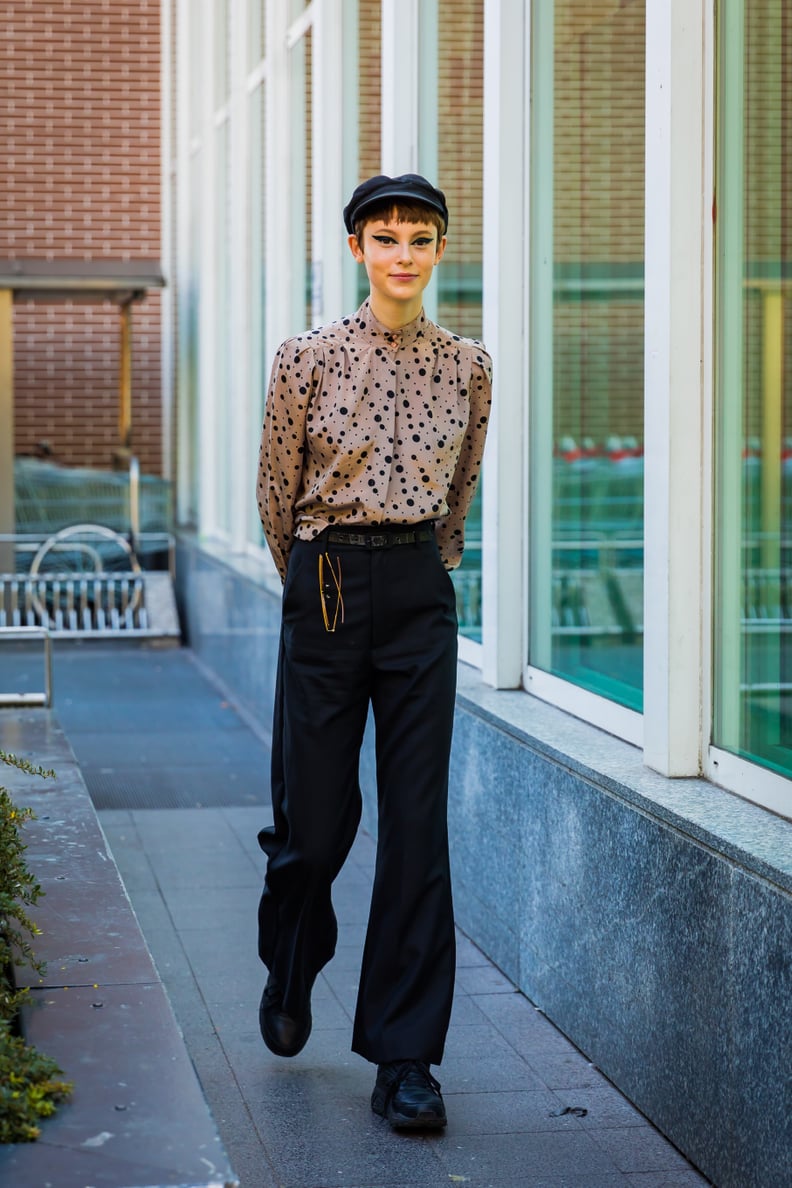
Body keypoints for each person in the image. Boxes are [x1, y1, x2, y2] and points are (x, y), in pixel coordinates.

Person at [255, 173, 492, 1130]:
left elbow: (462, 486)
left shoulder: (470, 365)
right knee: (314, 822)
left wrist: (422, 575)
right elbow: (277, 492)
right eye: (387, 237)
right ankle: (293, 949)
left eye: (421, 239)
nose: (403, 253)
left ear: (438, 253)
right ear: (358, 249)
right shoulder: (304, 357)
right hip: (326, 580)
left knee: (415, 828)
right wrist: (313, 583)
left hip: (417, 592)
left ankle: (406, 1057)